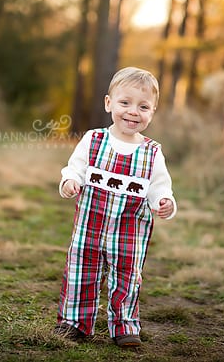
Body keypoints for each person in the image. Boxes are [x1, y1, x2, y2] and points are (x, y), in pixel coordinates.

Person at [54, 66, 176, 348]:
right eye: (125, 103)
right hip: (90, 226)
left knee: (127, 277)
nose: (133, 111)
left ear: (152, 112)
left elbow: (160, 185)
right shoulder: (93, 140)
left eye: (143, 106)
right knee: (81, 271)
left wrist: (164, 201)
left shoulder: (152, 152)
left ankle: (125, 325)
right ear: (108, 103)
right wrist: (70, 182)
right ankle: (74, 323)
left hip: (130, 230)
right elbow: (74, 169)